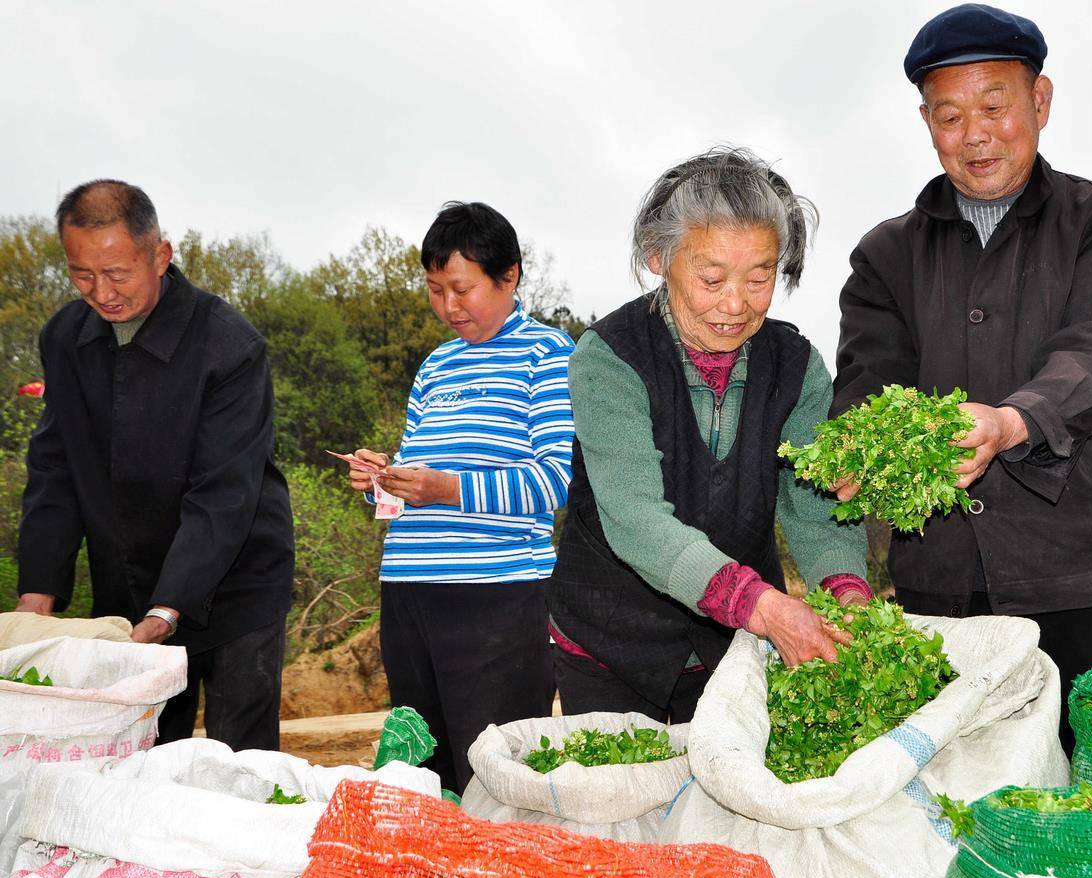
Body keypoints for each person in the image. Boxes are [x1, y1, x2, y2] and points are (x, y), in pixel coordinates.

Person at [834, 4, 1092, 752]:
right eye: (949, 115)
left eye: (995, 105)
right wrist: (859, 458)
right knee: (974, 823)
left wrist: (1010, 421)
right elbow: (869, 384)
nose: (974, 134)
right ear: (926, 123)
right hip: (949, 601)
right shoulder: (886, 256)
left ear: (1040, 100)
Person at [547, 148, 871, 723]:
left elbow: (815, 511)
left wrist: (847, 594)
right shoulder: (609, 358)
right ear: (659, 256)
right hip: (611, 640)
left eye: (760, 276)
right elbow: (635, 519)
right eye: (711, 277)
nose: (735, 304)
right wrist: (766, 608)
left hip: (732, 650)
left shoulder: (797, 366)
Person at [17, 179, 294, 751]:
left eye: (118, 273)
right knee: (136, 750)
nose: (102, 293)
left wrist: (169, 607)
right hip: (127, 581)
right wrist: (38, 591)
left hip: (234, 582)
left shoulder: (229, 346)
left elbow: (223, 492)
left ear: (160, 255)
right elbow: (56, 468)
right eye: (82, 275)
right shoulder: (66, 340)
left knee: (235, 759)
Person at [344, 201, 573, 793]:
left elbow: (554, 481)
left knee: (493, 774)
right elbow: (407, 494)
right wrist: (381, 484)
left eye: (462, 288)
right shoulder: (436, 367)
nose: (448, 306)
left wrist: (447, 488)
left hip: (495, 599)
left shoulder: (547, 355)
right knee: (421, 769)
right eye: (434, 289)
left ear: (510, 276)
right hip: (408, 594)